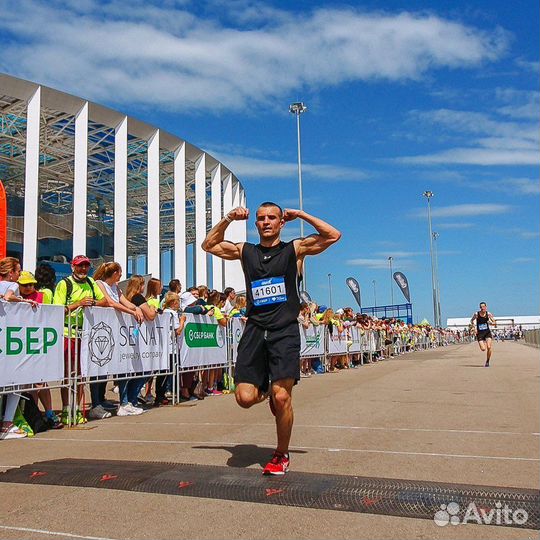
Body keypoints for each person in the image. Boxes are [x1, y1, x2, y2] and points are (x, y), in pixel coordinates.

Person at [202, 201, 341, 475]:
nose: (266, 222)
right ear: (256, 224)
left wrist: (300, 213)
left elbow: (333, 235)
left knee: (282, 398)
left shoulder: (294, 249)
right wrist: (229, 217)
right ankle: (264, 390)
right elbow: (209, 244)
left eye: (271, 218)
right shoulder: (246, 251)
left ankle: (281, 453)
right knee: (243, 398)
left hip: (283, 331)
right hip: (254, 329)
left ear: (281, 223)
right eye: (261, 218)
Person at [53, 255, 108, 425]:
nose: (83, 269)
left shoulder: (91, 282)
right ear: (73, 267)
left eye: (86, 266)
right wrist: (78, 304)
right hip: (67, 332)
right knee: (68, 374)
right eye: (80, 266)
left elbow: (105, 300)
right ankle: (65, 409)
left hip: (85, 334)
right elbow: (57, 309)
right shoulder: (64, 284)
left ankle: (76, 409)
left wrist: (92, 304)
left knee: (81, 375)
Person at [18, 270, 63, 429]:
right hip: (21, 344)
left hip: (38, 342)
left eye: (31, 284)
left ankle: (49, 413)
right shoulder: (16, 296)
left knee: (41, 381)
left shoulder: (43, 295)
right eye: (25, 285)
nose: (29, 287)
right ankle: (34, 415)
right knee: (27, 384)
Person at [0, 257, 38, 440]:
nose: (20, 273)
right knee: (15, 381)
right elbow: (8, 297)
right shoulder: (12, 286)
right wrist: (22, 300)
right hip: (8, 339)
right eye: (18, 270)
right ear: (11, 272)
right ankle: (7, 424)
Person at [470, 302, 497, 367]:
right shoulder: (476, 314)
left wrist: (490, 323)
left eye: (483, 307)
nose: (482, 308)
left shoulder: (488, 314)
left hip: (487, 332)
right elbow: (471, 320)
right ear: (480, 308)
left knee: (489, 347)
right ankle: (484, 342)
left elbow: (494, 322)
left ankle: (487, 361)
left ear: (486, 307)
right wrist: (474, 328)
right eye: (481, 307)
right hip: (480, 333)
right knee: (483, 349)